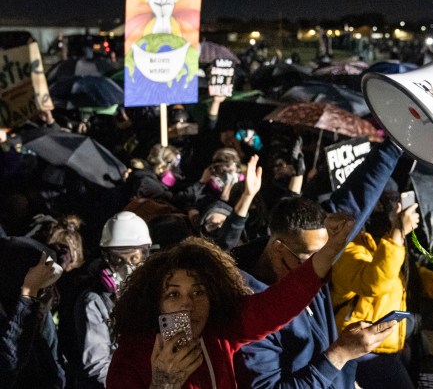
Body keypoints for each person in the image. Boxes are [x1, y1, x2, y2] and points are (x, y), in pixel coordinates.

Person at [105, 162, 391, 389]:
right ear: (155, 301)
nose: (188, 304)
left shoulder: (222, 333)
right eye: (173, 294)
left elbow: (280, 302)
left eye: (198, 292)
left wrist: (332, 248)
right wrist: (163, 384)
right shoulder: (130, 356)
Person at [233, 140, 406, 389]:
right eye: (310, 259)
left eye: (326, 254)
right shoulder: (248, 309)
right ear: (278, 248)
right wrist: (340, 354)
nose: (321, 266)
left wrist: (396, 143)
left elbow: (357, 198)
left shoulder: (316, 247)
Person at [330, 190, 420, 389]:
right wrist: (397, 233)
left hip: (384, 345)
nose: (395, 209)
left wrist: (431, 282)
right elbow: (375, 282)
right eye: (386, 203)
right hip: (362, 351)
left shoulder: (371, 242)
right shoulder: (345, 249)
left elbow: (394, 274)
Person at [70, 211, 152, 388]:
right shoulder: (93, 302)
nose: (127, 267)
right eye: (118, 259)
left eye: (134, 258)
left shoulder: (156, 293)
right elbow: (98, 366)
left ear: (146, 254)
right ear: (107, 258)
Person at [0, 237, 65, 389]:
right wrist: (28, 296)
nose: (53, 296)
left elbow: (56, 368)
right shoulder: (19, 312)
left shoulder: (38, 312)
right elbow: (8, 365)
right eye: (44, 288)